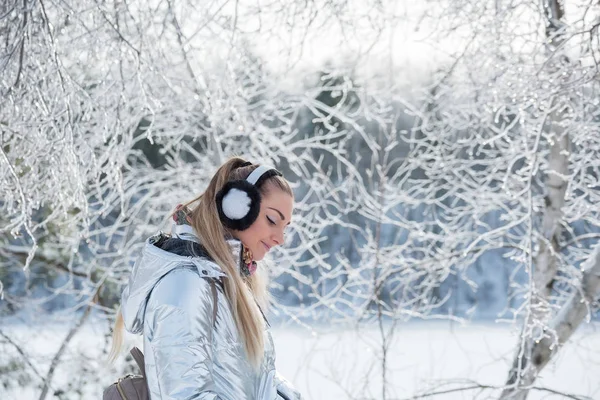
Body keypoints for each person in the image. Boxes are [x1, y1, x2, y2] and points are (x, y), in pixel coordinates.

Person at [109, 157, 302, 400]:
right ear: (236, 208)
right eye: (272, 220)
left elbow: (256, 383)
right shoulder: (185, 285)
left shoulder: (226, 286)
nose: (280, 238)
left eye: (285, 227)